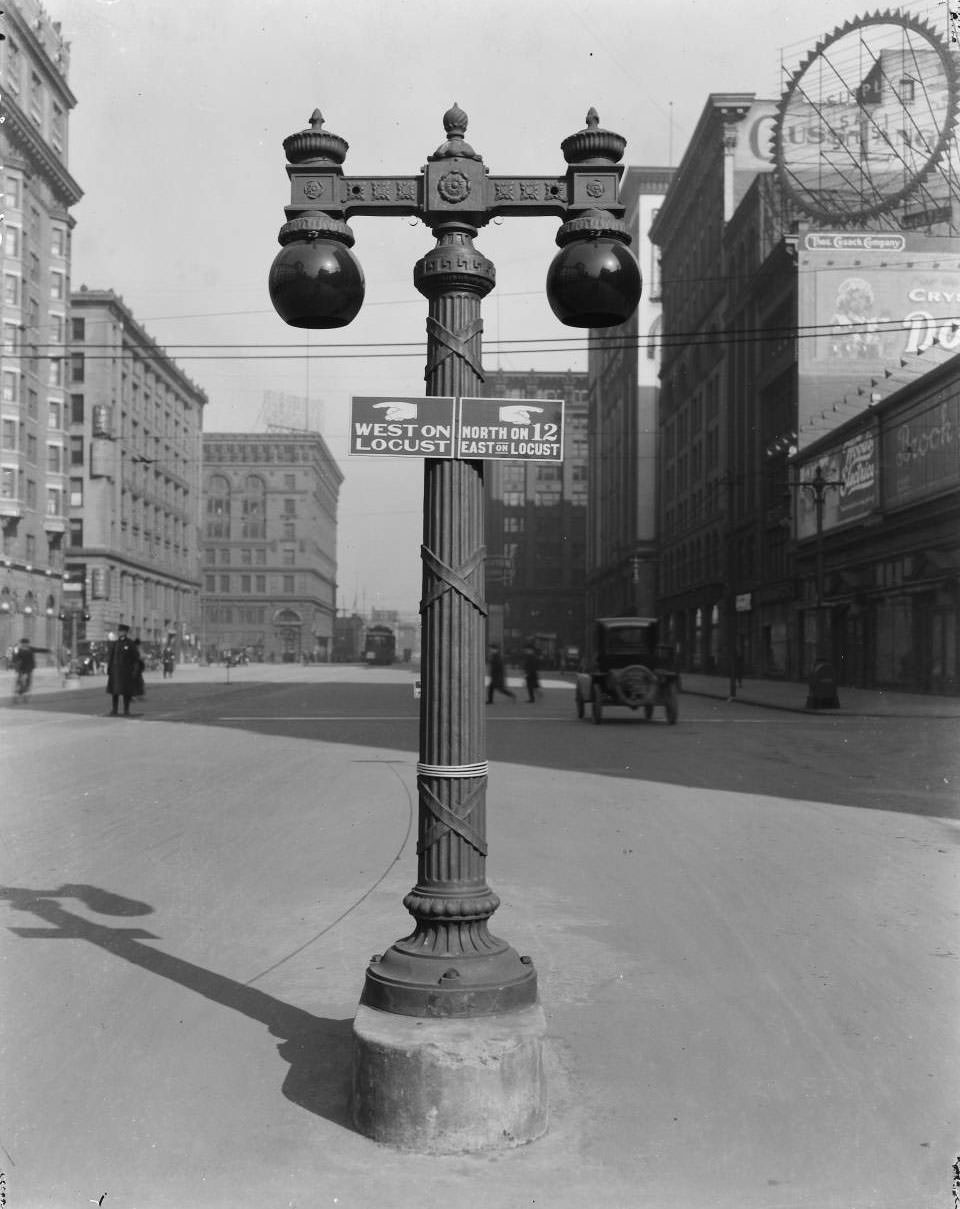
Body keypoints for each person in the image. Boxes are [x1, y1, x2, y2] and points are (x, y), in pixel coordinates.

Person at [106, 624, 144, 716]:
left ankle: (126, 710)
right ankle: (114, 710)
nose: (120, 633)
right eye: (119, 631)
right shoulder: (115, 644)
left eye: (122, 631)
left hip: (126, 672)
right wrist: (109, 669)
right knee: (115, 692)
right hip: (115, 672)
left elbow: (136, 657)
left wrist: (134, 670)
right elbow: (111, 657)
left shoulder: (130, 643)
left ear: (125, 632)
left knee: (126, 692)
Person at [11, 637, 35, 702]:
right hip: (21, 669)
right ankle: (19, 696)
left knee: (27, 683)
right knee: (20, 682)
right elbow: (14, 657)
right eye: (24, 643)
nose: (25, 644)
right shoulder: (17, 649)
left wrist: (48, 650)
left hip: (29, 669)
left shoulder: (30, 649)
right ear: (22, 643)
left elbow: (40, 650)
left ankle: (22, 696)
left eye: (26, 643)